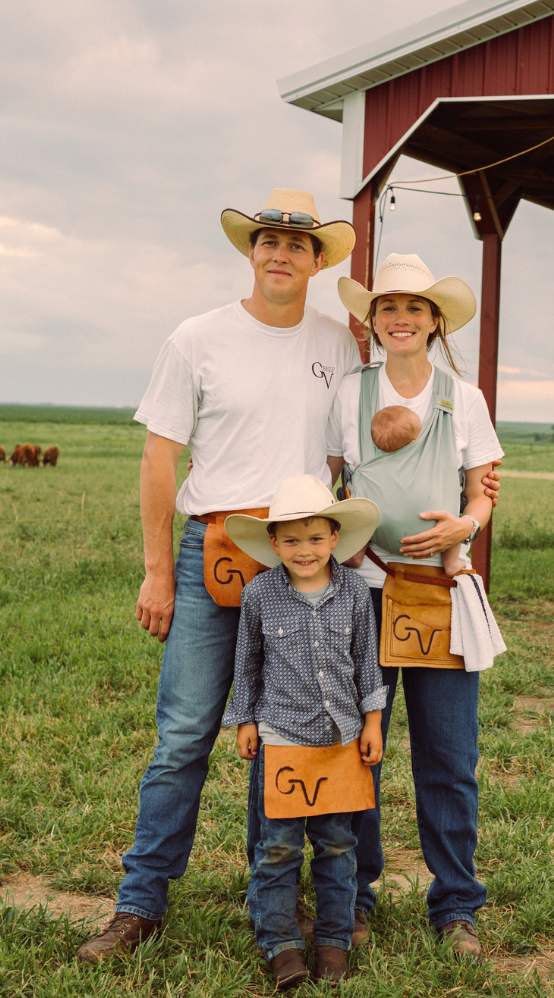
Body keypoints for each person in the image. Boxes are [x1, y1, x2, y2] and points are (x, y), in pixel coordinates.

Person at [73, 189, 366, 963]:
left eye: (297, 245)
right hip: (213, 557)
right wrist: (157, 571)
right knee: (183, 738)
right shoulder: (197, 337)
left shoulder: (339, 344)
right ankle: (139, 905)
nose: (280, 253)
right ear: (251, 250)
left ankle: (274, 906)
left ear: (317, 259)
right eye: (268, 239)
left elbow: (352, 458)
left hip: (304, 563)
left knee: (288, 733)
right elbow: (160, 459)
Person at [326, 252, 504, 960]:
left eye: (414, 308)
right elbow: (325, 478)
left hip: (438, 594)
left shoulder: (466, 396)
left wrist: (467, 525)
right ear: (372, 320)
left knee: (450, 755)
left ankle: (456, 903)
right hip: (363, 592)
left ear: (435, 322)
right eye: (387, 307)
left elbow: (482, 490)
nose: (400, 318)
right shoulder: (348, 393)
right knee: (357, 750)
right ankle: (354, 895)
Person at [222, 476, 385, 986]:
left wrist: (373, 721)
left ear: (335, 538)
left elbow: (367, 664)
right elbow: (247, 665)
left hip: (340, 745)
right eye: (291, 540)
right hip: (281, 741)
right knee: (277, 848)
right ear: (273, 543)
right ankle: (282, 944)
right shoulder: (260, 595)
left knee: (338, 846)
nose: (304, 550)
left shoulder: (356, 593)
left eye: (315, 539)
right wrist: (245, 719)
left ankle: (334, 943)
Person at [369, 406, 464, 577]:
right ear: (414, 444)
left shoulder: (374, 467)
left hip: (380, 533)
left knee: (361, 512)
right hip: (428, 528)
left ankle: (356, 555)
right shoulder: (424, 463)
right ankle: (451, 563)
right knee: (452, 510)